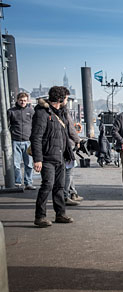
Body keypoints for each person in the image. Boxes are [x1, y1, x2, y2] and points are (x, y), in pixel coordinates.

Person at [30, 86, 75, 227]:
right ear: (60, 99)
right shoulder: (42, 113)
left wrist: (69, 153)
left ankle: (60, 214)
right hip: (47, 156)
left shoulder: (61, 113)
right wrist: (38, 159)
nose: (67, 101)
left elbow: (64, 136)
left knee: (59, 187)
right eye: (66, 98)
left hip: (60, 156)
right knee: (47, 185)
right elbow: (36, 137)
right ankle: (40, 216)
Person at [7, 92, 35, 190]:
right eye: (21, 100)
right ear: (17, 100)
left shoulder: (31, 111)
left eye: (24, 100)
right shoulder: (11, 111)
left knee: (29, 164)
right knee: (16, 164)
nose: (23, 102)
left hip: (28, 141)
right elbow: (7, 125)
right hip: (15, 141)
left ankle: (28, 183)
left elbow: (34, 125)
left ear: (27, 101)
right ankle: (18, 182)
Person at [60, 87, 83, 205]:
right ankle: (65, 196)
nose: (67, 101)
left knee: (68, 170)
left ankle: (73, 192)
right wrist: (78, 140)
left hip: (62, 145)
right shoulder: (64, 112)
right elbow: (71, 128)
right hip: (67, 146)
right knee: (69, 171)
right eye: (66, 98)